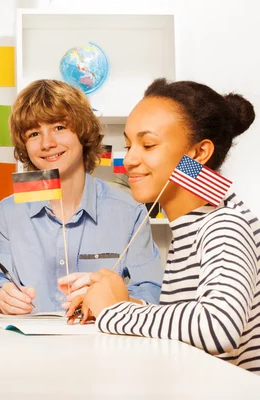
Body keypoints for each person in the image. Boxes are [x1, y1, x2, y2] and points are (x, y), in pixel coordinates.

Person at [66, 78, 260, 373]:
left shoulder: (224, 224)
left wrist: (115, 311)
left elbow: (220, 327)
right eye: (129, 145)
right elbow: (190, 326)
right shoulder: (189, 229)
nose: (129, 159)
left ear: (198, 153)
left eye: (148, 144)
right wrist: (126, 301)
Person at [0, 79, 163, 315]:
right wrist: (2, 302)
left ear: (83, 132)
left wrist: (117, 299)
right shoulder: (4, 215)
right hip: (28, 348)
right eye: (34, 133)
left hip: (105, 345)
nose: (47, 143)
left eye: (59, 127)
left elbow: (152, 296)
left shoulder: (130, 212)